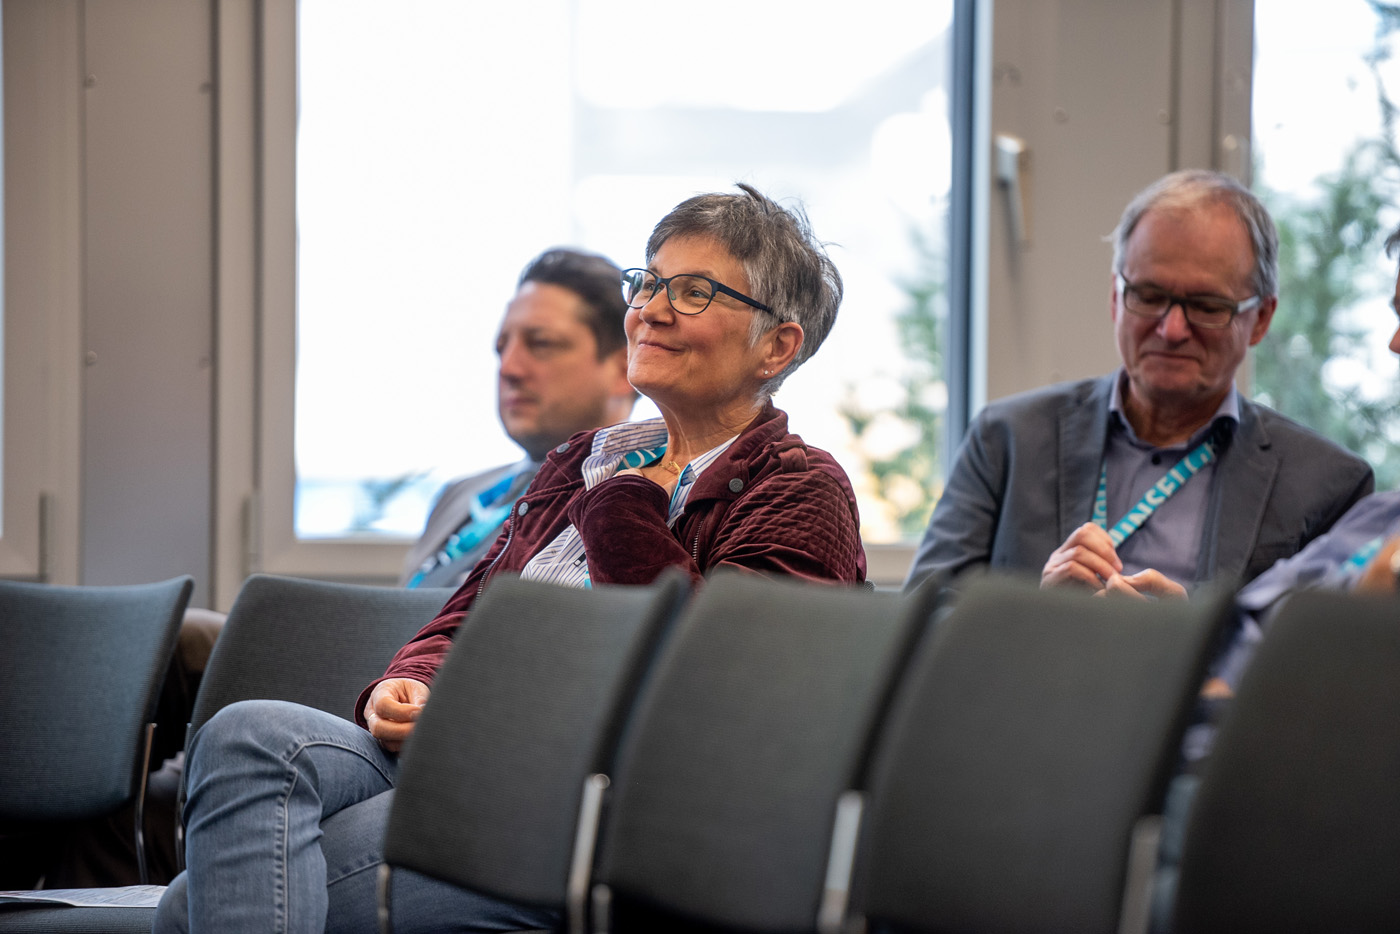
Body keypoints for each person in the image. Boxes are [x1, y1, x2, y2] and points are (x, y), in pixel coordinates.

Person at [154, 183, 865, 934]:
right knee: (249, 734)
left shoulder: (800, 487)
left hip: (604, 809)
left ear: (777, 346)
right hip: (469, 758)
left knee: (193, 905)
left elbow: (723, 696)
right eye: (649, 282)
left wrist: (623, 507)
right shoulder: (581, 460)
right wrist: (409, 683)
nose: (651, 309)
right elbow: (465, 617)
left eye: (694, 293)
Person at [905, 169, 1374, 598]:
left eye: (1207, 306)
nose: (1172, 329)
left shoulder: (1326, 485)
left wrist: (1192, 641)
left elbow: (1325, 657)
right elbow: (920, 628)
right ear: (1115, 297)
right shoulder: (1008, 438)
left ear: (1262, 318)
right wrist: (1037, 621)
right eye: (1149, 296)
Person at [400, 247, 637, 589]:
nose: (509, 368)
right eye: (502, 348)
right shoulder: (459, 495)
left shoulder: (634, 505)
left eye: (541, 344)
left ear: (624, 367)